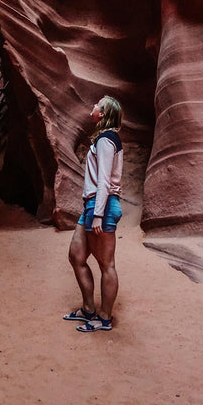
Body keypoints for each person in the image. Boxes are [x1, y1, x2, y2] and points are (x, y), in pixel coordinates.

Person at [63, 96, 124, 332]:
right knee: (76, 255)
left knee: (106, 264)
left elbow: (104, 180)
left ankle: (104, 317)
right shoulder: (102, 139)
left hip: (103, 206)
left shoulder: (107, 140)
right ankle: (89, 309)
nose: (93, 107)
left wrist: (98, 214)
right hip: (93, 205)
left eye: (97, 104)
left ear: (105, 112)